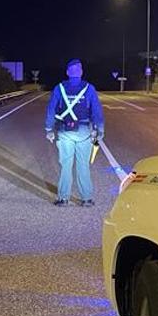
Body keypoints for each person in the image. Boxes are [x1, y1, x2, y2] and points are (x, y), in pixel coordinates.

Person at [45, 58, 105, 206]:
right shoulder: (89, 88)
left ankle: (63, 198)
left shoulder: (59, 88)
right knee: (83, 165)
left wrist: (49, 129)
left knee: (66, 165)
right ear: (81, 72)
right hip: (84, 132)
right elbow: (96, 111)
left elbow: (51, 109)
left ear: (67, 72)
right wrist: (100, 129)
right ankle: (86, 199)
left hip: (65, 132)